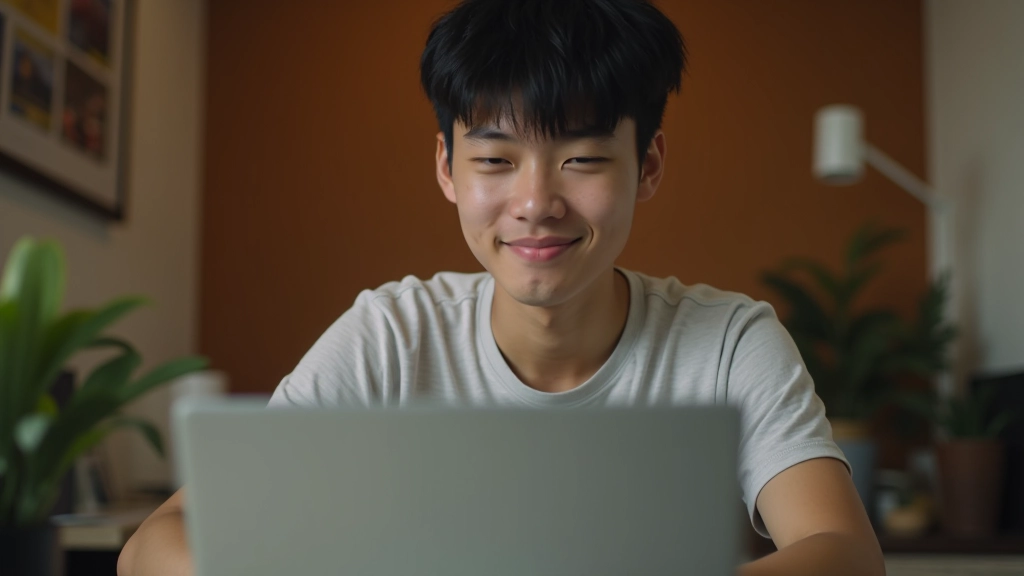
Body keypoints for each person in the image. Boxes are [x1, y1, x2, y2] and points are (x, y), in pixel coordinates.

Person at [118, 1, 884, 575]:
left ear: (647, 165)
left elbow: (845, 553)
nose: (535, 202)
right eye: (494, 160)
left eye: (582, 159)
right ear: (447, 170)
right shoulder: (391, 336)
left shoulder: (728, 342)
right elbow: (153, 545)